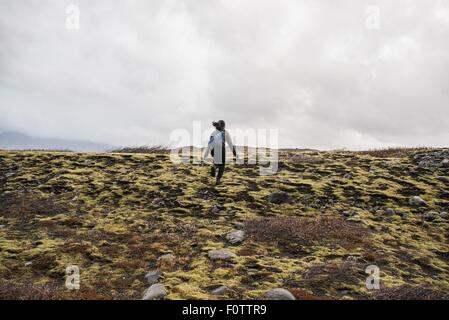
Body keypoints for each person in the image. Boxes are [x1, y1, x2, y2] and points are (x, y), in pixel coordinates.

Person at [203, 120, 236, 185]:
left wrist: (206, 154)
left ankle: (214, 167)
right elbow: (230, 144)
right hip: (221, 149)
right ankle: (218, 179)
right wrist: (235, 153)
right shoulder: (225, 133)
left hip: (213, 150)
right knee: (222, 166)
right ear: (224, 126)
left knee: (217, 162)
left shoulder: (213, 133)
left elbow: (209, 144)